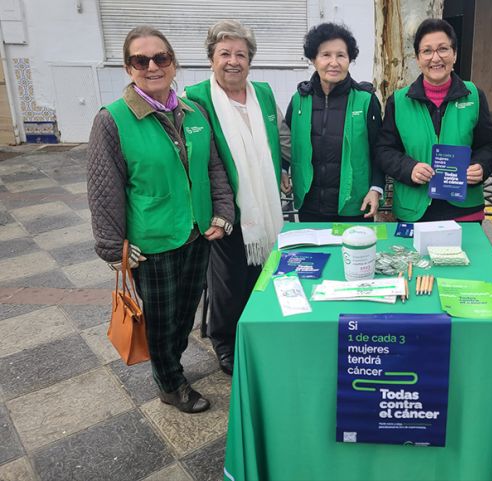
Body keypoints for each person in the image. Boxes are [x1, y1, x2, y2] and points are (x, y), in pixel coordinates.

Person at [87, 26, 235, 413]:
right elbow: (104, 187)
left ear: (173, 63)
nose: (152, 66)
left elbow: (213, 166)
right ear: (128, 67)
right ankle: (170, 383)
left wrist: (223, 211)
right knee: (161, 319)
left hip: (196, 232)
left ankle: (172, 363)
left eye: (161, 58)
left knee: (184, 313)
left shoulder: (192, 111)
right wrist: (110, 244)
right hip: (151, 242)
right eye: (141, 60)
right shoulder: (113, 120)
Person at [185, 20, 288, 376]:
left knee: (263, 274)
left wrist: (286, 171)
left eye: (241, 54)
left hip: (267, 204)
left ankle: (258, 331)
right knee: (229, 282)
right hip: (226, 210)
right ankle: (225, 342)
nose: (233, 61)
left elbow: (279, 140)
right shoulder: (197, 98)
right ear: (211, 58)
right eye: (224, 53)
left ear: (251, 59)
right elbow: (200, 158)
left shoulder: (263, 93)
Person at [375, 18, 492, 222]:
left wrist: (481, 166)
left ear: (455, 54)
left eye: (443, 49)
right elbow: (384, 150)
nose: (435, 58)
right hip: (414, 210)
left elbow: (489, 145)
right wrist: (409, 168)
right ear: (417, 58)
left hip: (465, 210)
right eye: (427, 51)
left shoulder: (474, 96)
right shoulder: (398, 101)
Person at [285, 22, 384, 222]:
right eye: (326, 55)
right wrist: (282, 170)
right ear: (313, 59)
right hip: (310, 206)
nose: (334, 62)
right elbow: (285, 141)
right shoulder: (300, 100)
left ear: (350, 59)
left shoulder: (365, 100)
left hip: (355, 206)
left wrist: (376, 189)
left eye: (341, 55)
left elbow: (380, 150)